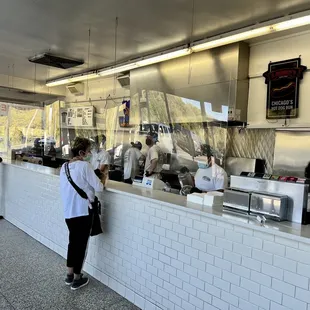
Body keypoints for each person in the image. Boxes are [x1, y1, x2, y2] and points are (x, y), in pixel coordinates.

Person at [60, 137, 104, 290]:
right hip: (83, 212)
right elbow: (99, 187)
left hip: (69, 213)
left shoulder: (64, 167)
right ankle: (78, 278)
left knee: (73, 243)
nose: (90, 153)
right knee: (81, 245)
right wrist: (103, 177)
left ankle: (69, 274)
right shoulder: (85, 166)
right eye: (88, 150)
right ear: (81, 152)